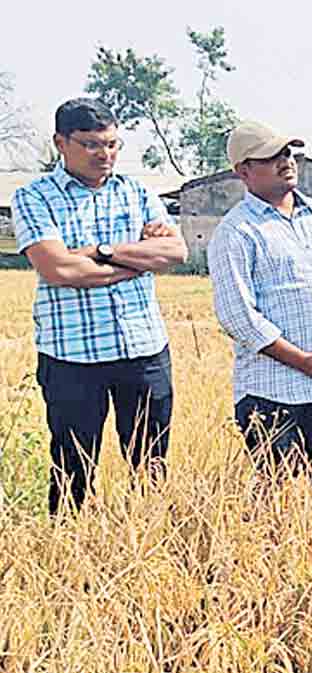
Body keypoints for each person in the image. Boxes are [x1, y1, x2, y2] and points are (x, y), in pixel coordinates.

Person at [11, 98, 188, 513]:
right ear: (61, 142)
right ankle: (69, 556)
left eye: (111, 144)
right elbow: (59, 271)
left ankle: (146, 541)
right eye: (90, 144)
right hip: (72, 355)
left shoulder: (136, 191)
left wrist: (99, 252)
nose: (103, 154)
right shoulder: (35, 198)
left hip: (143, 351)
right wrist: (134, 261)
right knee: (72, 468)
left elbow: (176, 252)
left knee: (151, 466)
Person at [208, 122, 312, 496]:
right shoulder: (236, 232)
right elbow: (239, 318)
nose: (285, 162)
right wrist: (305, 362)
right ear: (243, 171)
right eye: (271, 157)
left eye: (287, 153)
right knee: (278, 510)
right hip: (275, 397)